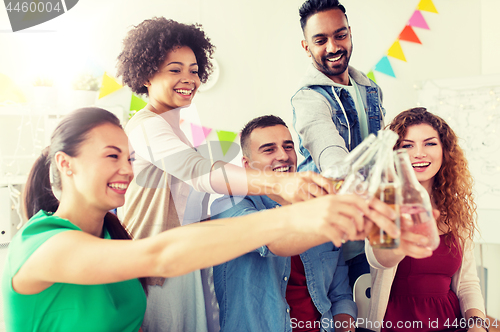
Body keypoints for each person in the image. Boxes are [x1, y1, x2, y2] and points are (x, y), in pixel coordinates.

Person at [2, 107, 382, 332]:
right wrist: (302, 215)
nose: (127, 170)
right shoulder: (41, 246)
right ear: (65, 164)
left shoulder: (113, 239)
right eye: (111, 156)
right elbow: (161, 256)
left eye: (130, 158)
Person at [116, 17, 337, 332]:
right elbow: (199, 172)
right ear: (147, 73)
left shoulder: (180, 131)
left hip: (183, 265)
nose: (188, 79)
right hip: (154, 272)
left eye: (194, 70)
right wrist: (282, 184)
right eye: (174, 69)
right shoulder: (146, 126)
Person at [210, 115, 399, 332]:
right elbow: (272, 241)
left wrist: (346, 328)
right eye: (269, 149)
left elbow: (340, 296)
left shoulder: (322, 203)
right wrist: (334, 220)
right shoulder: (229, 205)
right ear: (246, 164)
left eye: (288, 147)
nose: (283, 155)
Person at [291, 0, 386, 288]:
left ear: (350, 33)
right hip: (329, 243)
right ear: (306, 47)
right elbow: (329, 151)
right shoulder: (308, 98)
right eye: (320, 40)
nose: (333, 47)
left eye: (340, 35)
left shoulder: (370, 89)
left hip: (374, 235)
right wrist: (344, 175)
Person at [365, 108, 487, 332]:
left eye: (430, 143)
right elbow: (379, 260)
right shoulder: (384, 201)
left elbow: (468, 283)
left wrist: (477, 323)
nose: (418, 153)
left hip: (451, 323)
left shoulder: (455, 208)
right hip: (396, 325)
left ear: (445, 151)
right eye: (407, 146)